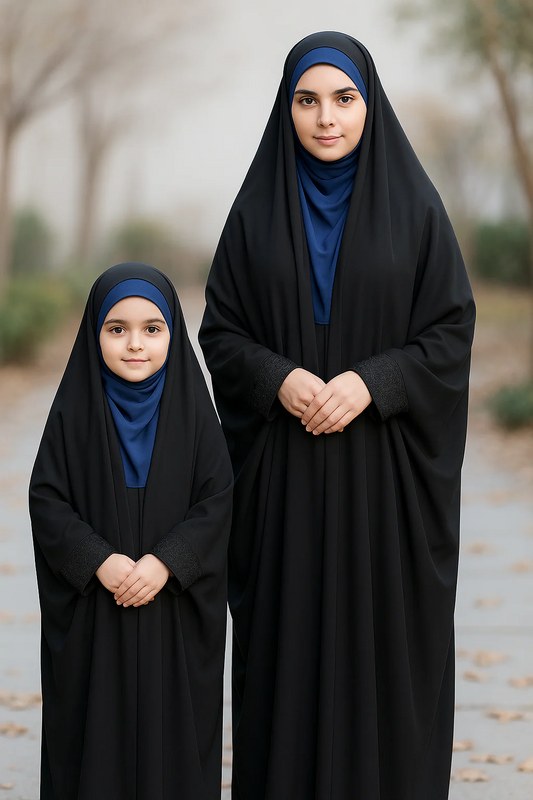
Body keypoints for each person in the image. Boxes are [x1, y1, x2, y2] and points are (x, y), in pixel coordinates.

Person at [199, 31, 475, 800]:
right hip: (283, 487)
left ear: (369, 105)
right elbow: (220, 331)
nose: (326, 118)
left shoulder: (415, 208)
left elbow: (450, 330)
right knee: (285, 659)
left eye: (344, 99)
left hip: (384, 486)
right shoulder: (255, 214)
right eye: (307, 100)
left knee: (380, 656)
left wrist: (374, 381)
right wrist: (278, 378)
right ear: (285, 109)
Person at [30, 263, 233, 800]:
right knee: (93, 745)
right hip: (98, 612)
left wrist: (167, 562)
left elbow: (217, 501)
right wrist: (100, 560)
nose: (134, 344)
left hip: (174, 615)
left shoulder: (193, 414)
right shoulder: (74, 415)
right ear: (93, 332)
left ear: (173, 333)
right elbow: (47, 500)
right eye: (116, 329)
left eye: (152, 328)